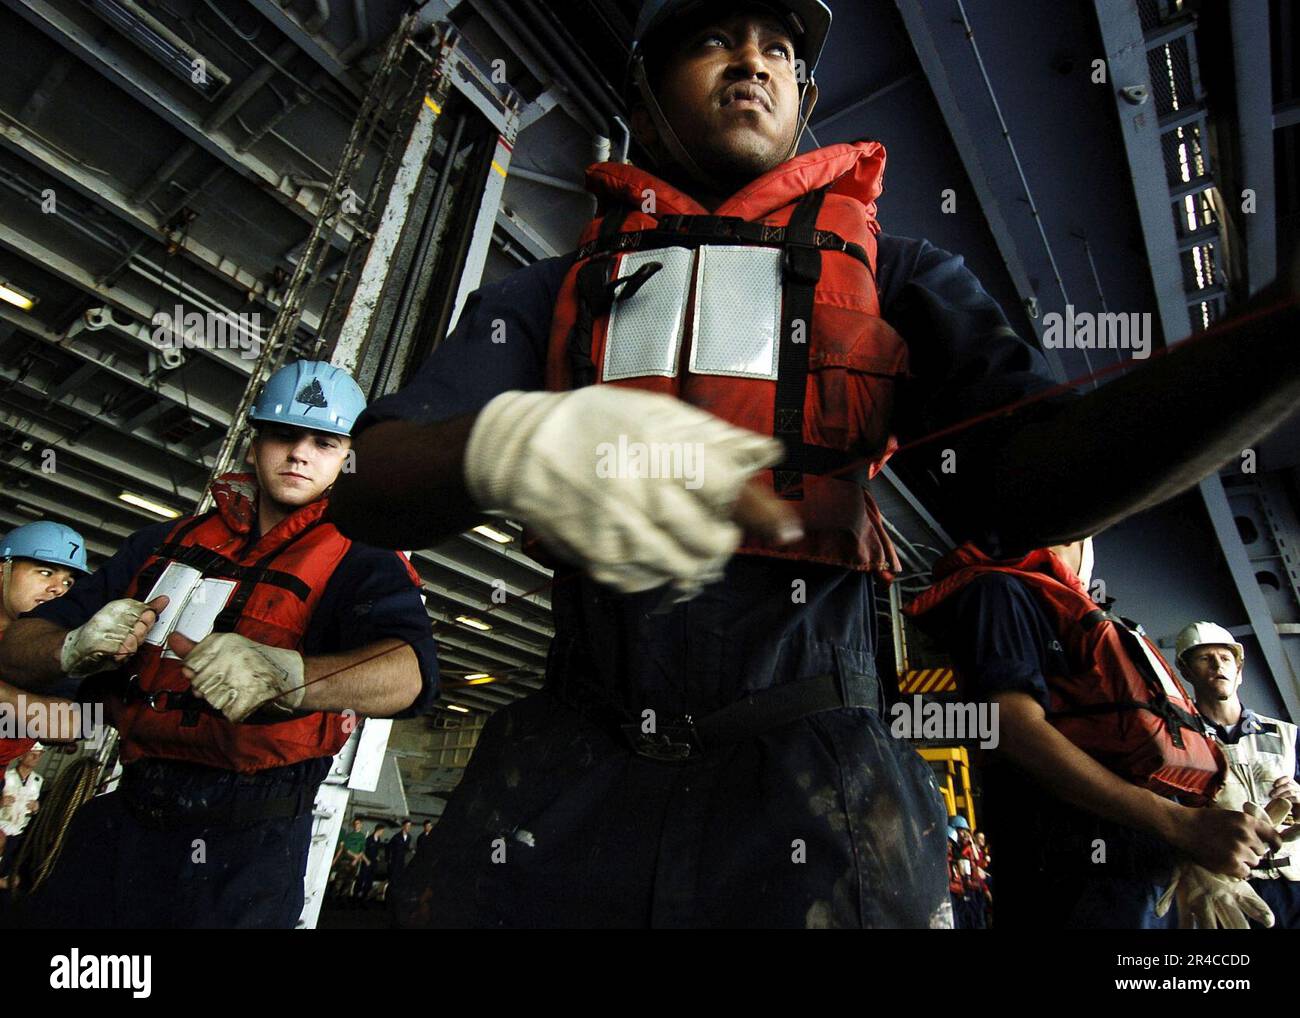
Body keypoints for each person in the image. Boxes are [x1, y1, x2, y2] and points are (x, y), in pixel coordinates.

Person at [329, 0, 1300, 929]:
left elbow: (1038, 473)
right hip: (564, 774)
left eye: (779, 50)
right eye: (713, 38)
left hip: (818, 796)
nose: (753, 58)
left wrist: (1275, 336)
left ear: (805, 103)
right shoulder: (552, 296)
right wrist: (503, 442)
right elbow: (371, 485)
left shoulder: (896, 280)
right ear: (642, 97)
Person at [0, 361, 439, 929]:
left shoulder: (363, 557)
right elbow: (17, 647)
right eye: (283, 435)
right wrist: (71, 647)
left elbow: (410, 674)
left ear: (346, 459)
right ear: (255, 444)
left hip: (251, 841)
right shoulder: (163, 543)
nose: (300, 453)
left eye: (324, 442)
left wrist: (290, 676)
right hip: (129, 812)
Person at [906, 539, 1281, 929]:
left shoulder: (1082, 614)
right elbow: (1010, 728)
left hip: (1143, 881)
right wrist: (1180, 824)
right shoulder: (999, 592)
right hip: (1075, 886)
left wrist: (1188, 842)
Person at [1175, 621, 1300, 928]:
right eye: (1205, 658)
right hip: (1231, 888)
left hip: (1295, 882)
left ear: (1239, 671)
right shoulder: (1176, 740)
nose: (1218, 665)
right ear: (1187, 673)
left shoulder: (1289, 735)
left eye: (1226, 658)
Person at [0, 523, 92, 767]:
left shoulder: (56, 649)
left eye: (68, 582)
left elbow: (68, 725)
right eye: (45, 572)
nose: (58, 589)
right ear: (3, 569)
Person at [0, 743, 45, 885]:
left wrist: (37, 808)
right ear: (21, 756)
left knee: (8, 867)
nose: (35, 757)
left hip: (18, 831)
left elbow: (37, 809)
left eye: (39, 755)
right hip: (1, 828)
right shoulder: (6, 776)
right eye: (32, 754)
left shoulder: (38, 781)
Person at [333, 817, 369, 897]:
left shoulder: (362, 837)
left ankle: (343, 898)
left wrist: (356, 859)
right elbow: (346, 848)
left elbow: (362, 850)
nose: (356, 825)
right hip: (346, 860)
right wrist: (354, 856)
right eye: (355, 824)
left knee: (350, 880)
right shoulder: (348, 836)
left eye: (358, 823)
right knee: (340, 879)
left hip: (355, 861)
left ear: (361, 825)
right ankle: (334, 897)